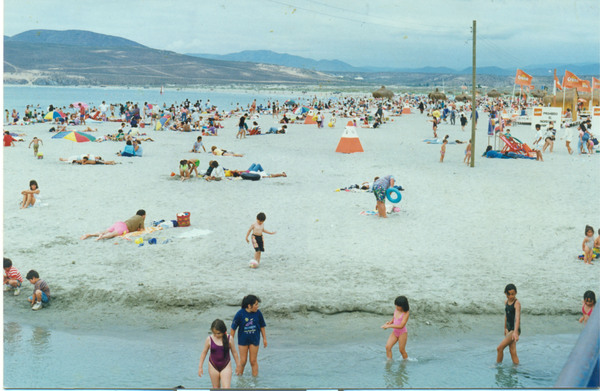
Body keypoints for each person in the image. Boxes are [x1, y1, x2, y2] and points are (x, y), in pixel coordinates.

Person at [230, 295, 267, 377]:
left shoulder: (258, 313)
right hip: (243, 341)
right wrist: (230, 341)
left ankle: (255, 382)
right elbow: (233, 329)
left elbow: (262, 326)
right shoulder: (240, 314)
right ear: (249, 306)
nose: (257, 306)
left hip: (254, 340)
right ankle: (239, 379)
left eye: (258, 304)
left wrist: (264, 339)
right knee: (243, 361)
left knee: (253, 361)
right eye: (256, 304)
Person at [198, 319, 240, 389]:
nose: (216, 335)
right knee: (216, 388)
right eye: (214, 333)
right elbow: (204, 353)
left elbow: (234, 352)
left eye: (218, 333)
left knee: (226, 388)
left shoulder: (229, 338)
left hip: (226, 365)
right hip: (213, 365)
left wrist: (238, 365)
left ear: (223, 331)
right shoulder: (209, 339)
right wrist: (200, 367)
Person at [80, 209, 146, 240]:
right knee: (112, 234)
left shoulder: (134, 216)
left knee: (105, 231)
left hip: (119, 223)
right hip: (124, 228)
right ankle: (101, 237)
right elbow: (142, 230)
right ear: (143, 215)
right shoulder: (141, 218)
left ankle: (91, 234)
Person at [497, 283, 521, 365]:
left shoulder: (517, 303)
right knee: (512, 351)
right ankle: (516, 368)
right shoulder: (506, 302)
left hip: (514, 330)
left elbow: (517, 318)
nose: (511, 296)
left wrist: (515, 332)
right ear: (506, 294)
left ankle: (498, 367)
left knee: (499, 348)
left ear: (516, 293)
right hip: (509, 329)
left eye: (513, 294)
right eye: (509, 294)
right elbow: (506, 316)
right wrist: (505, 328)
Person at [381, 296, 410, 360]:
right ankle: (389, 362)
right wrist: (390, 322)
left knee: (401, 350)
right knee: (388, 347)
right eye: (396, 305)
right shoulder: (396, 310)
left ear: (403, 306)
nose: (396, 307)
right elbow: (394, 318)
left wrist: (389, 326)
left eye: (398, 306)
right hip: (395, 332)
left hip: (402, 333)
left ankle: (406, 362)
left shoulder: (406, 313)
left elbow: (401, 326)